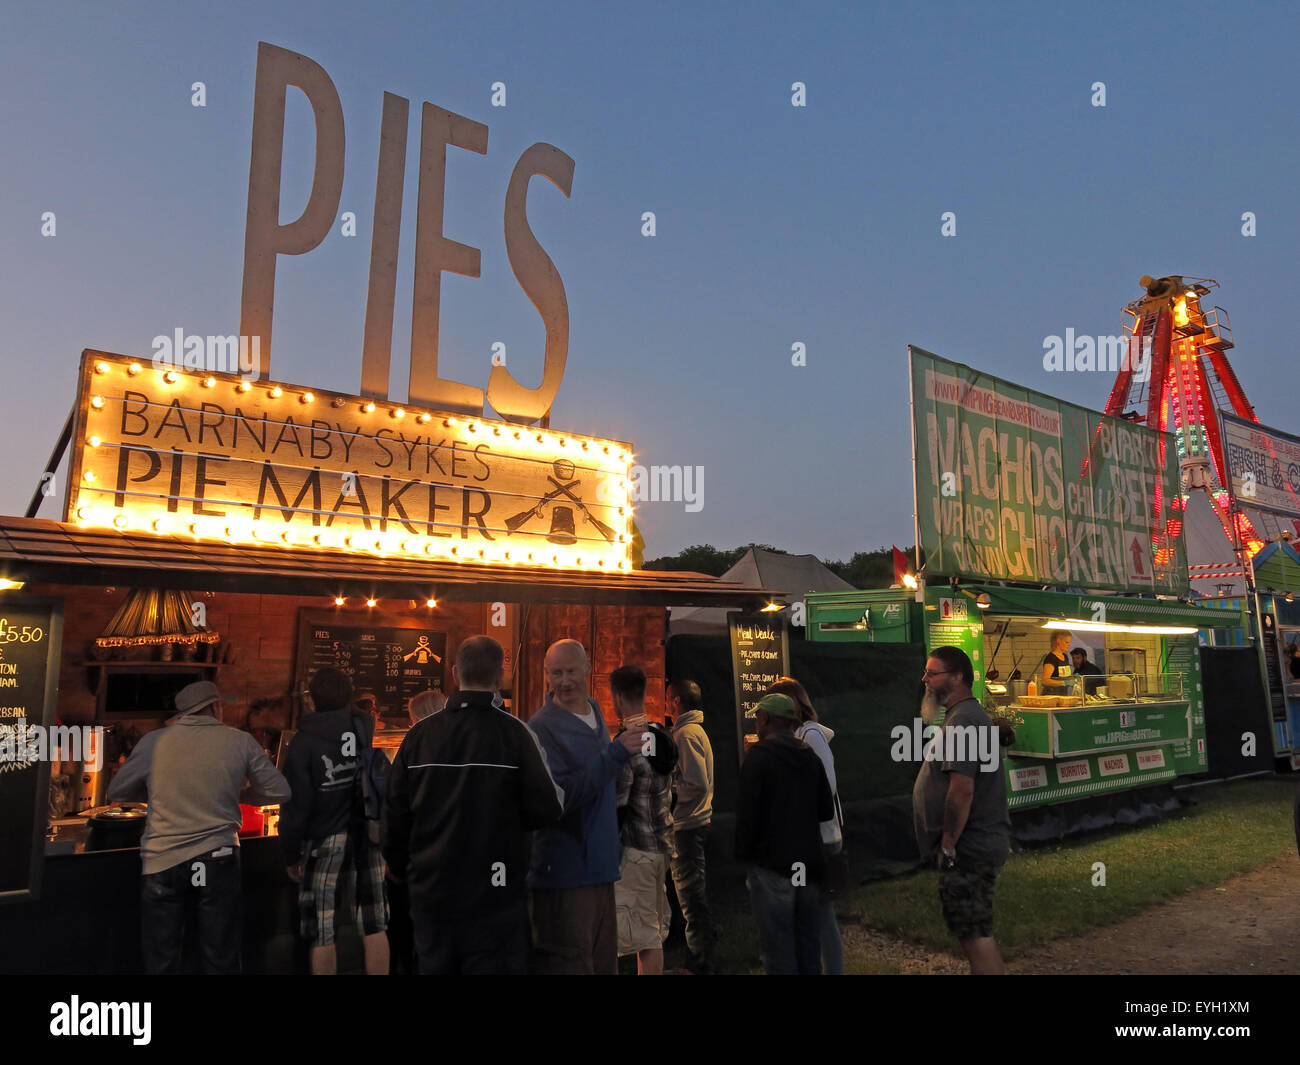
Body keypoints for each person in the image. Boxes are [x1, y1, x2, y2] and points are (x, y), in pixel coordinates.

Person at [383, 636, 564, 974]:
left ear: (454, 674)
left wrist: (398, 864)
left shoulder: (419, 736)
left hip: (432, 888)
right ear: (500, 677)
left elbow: (395, 811)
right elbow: (546, 808)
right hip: (495, 891)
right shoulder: (515, 734)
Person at [107, 680, 290, 974]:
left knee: (162, 958)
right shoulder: (239, 741)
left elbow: (117, 792)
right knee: (220, 955)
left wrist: (157, 793)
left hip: (163, 861)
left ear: (182, 713)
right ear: (216, 707)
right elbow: (279, 792)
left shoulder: (154, 742)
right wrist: (240, 794)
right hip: (217, 858)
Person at [526, 639, 644, 974]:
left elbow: (602, 782)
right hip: (564, 873)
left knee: (605, 963)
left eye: (571, 671)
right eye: (556, 673)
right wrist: (616, 754)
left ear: (588, 668)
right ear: (546, 674)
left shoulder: (594, 710)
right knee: (571, 964)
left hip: (603, 867)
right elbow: (559, 798)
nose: (564, 681)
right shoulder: (541, 728)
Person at [280, 667, 390, 975]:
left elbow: (297, 804)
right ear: (349, 696)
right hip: (366, 833)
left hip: (325, 839)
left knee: (322, 929)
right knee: (374, 923)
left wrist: (290, 852)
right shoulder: (363, 726)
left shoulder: (304, 741)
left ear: (312, 699)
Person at [912, 645, 1011, 975]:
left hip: (969, 848)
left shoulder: (965, 720)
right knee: (976, 933)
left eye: (932, 673)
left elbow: (961, 791)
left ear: (957, 678)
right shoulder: (963, 717)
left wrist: (949, 844)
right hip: (973, 846)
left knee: (975, 936)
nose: (925, 679)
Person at [736, 692, 834, 976]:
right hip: (806, 865)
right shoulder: (810, 757)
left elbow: (747, 815)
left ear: (765, 719)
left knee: (778, 948)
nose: (756, 722)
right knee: (807, 944)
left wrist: (744, 857)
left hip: (773, 866)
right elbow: (825, 811)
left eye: (757, 717)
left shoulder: (759, 758)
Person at [768, 676, 845, 975]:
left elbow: (827, 785)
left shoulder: (810, 735)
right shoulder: (800, 734)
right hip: (813, 837)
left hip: (820, 838)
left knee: (820, 914)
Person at [610, 665, 675, 975]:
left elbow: (618, 806)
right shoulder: (662, 737)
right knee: (650, 934)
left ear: (617, 697)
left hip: (636, 851)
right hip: (662, 845)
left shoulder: (626, 744)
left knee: (642, 937)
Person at [667, 678, 717, 975]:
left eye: (666, 698)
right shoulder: (694, 731)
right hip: (694, 822)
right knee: (694, 896)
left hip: (687, 825)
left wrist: (670, 797)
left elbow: (696, 782)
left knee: (691, 899)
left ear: (676, 701)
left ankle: (701, 964)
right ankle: (701, 957)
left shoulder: (685, 734)